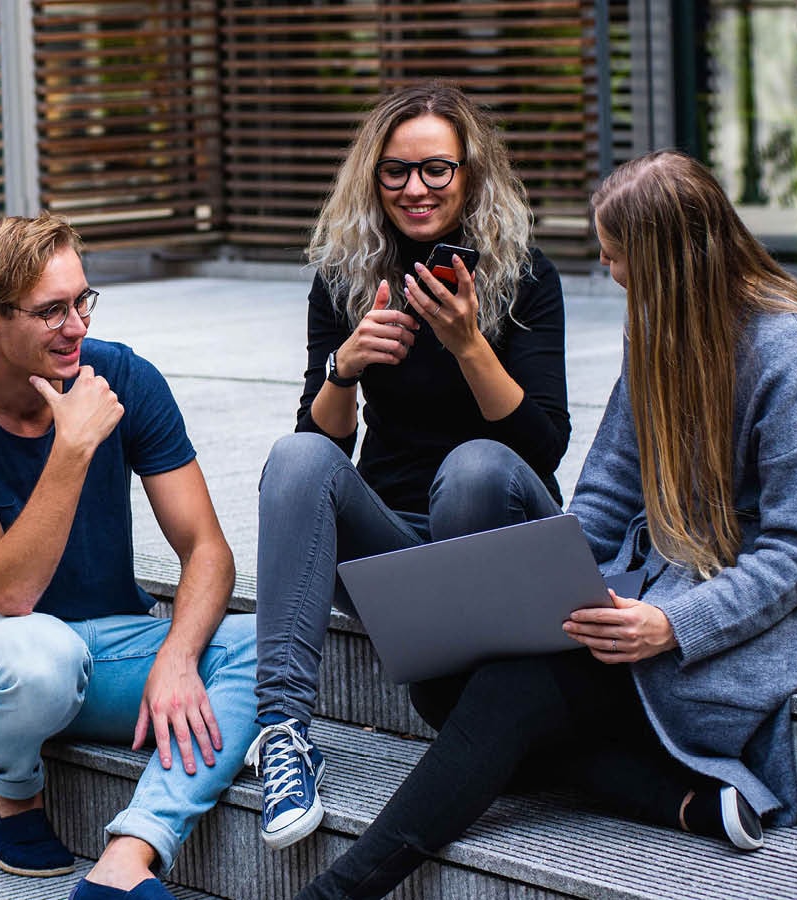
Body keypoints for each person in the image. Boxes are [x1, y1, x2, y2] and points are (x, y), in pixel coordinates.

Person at [295, 149, 797, 899]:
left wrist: (671, 624)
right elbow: (604, 494)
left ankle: (338, 891)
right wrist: (540, 586)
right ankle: (674, 797)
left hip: (747, 628)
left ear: (670, 257)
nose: (608, 269)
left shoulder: (793, 358)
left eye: (616, 253)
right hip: (648, 588)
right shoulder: (660, 328)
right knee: (445, 683)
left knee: (508, 691)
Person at [0, 213, 258, 900]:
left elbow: (207, 548)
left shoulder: (120, 375)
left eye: (82, 300)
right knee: (39, 657)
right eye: (51, 310)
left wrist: (176, 660)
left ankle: (128, 856)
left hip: (111, 642)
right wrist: (72, 445)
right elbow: (10, 592)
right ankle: (11, 789)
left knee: (263, 645)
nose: (76, 326)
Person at [248, 81, 570, 849]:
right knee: (294, 458)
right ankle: (284, 735)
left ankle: (482, 699)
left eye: (436, 169)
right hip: (397, 552)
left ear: (471, 174)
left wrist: (468, 344)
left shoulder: (526, 277)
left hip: (498, 536)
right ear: (372, 176)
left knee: (474, 469)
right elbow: (319, 454)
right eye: (395, 171)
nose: (415, 189)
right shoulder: (345, 277)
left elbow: (543, 446)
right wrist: (344, 368)